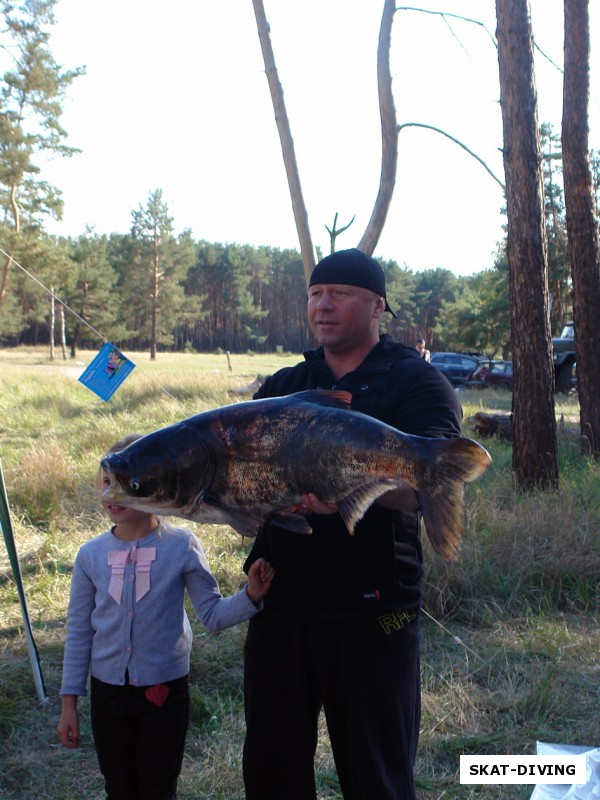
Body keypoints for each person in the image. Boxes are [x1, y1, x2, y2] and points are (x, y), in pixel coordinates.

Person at [242, 248, 462, 800]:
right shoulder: (285, 385)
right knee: (271, 769)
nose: (324, 305)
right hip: (279, 599)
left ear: (377, 306)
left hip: (374, 608)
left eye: (339, 293)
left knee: (377, 774)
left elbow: (423, 489)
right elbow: (249, 480)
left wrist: (350, 487)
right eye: (316, 294)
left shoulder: (417, 384)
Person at [57, 434, 274, 800]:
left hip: (164, 693)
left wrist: (251, 596)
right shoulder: (90, 556)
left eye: (126, 482)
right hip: (107, 693)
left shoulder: (181, 546)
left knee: (159, 787)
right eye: (106, 482)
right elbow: (79, 632)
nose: (112, 493)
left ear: (156, 485)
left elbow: (213, 615)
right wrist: (69, 704)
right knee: (120, 787)